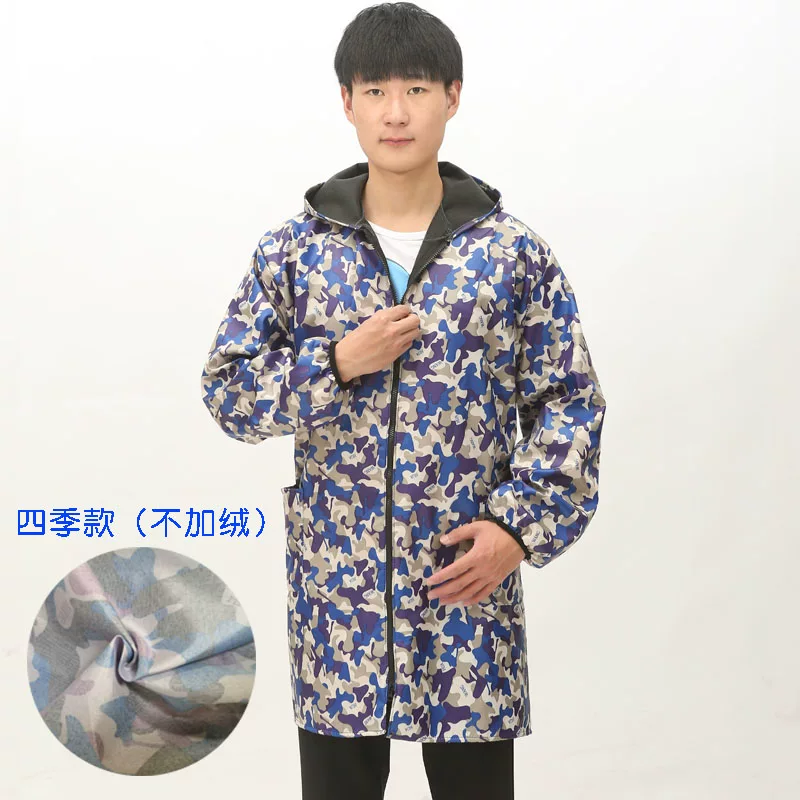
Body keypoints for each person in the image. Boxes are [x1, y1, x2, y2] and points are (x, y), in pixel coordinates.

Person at [200, 3, 606, 798]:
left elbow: (569, 403)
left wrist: (517, 528)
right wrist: (335, 364)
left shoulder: (510, 253)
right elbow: (229, 391)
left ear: (452, 96)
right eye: (375, 90)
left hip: (465, 587)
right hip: (339, 599)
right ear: (346, 102)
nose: (395, 112)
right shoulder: (296, 251)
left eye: (416, 89)